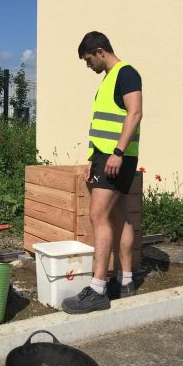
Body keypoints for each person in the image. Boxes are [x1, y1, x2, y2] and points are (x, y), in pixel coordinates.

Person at [62, 31, 143, 314]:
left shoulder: (126, 73)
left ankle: (97, 289)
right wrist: (91, 157)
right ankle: (126, 282)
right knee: (120, 215)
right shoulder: (109, 79)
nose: (88, 66)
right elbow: (102, 123)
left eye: (88, 60)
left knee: (98, 216)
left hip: (114, 158)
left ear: (99, 51)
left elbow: (134, 113)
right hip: (106, 156)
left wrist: (117, 153)